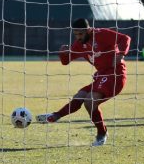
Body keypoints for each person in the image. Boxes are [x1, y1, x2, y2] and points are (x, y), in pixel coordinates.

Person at [36, 18, 131, 146]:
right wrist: (63, 53)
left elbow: (125, 38)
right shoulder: (78, 44)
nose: (78, 37)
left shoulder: (101, 34)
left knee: (90, 101)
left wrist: (121, 54)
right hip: (101, 76)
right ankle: (55, 116)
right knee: (79, 96)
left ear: (88, 30)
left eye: (80, 34)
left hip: (116, 74)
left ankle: (101, 134)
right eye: (75, 34)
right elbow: (65, 62)